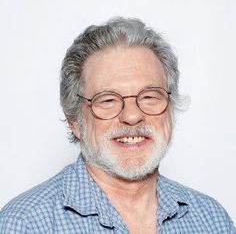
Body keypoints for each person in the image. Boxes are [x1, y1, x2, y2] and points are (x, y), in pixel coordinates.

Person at [0, 17, 235, 234]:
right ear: (75, 121)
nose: (132, 116)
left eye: (149, 96)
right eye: (108, 100)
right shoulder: (23, 224)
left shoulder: (212, 219)